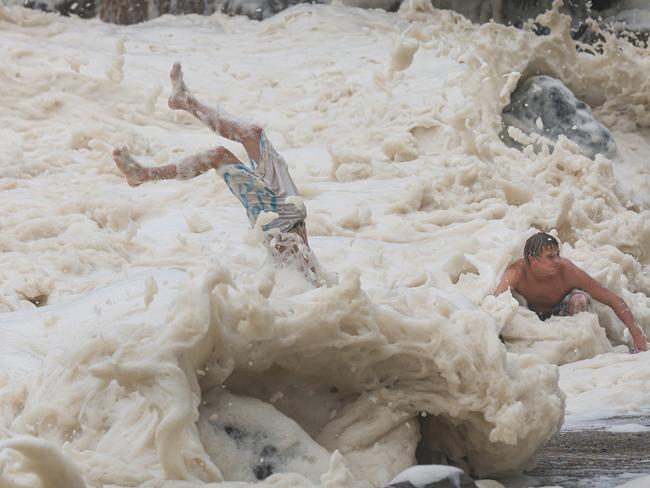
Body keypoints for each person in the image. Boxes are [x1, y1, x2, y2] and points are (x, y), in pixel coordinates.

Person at [112, 63, 327, 286]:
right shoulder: (313, 282)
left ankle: (143, 175)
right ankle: (185, 101)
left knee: (219, 156)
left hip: (278, 221)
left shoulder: (296, 284)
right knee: (253, 134)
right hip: (288, 213)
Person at [494, 232, 648, 352]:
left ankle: (581, 353)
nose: (557, 261)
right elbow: (496, 305)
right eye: (550, 257)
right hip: (530, 323)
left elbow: (612, 299)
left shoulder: (567, 271)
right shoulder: (517, 273)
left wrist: (637, 334)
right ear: (532, 259)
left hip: (562, 318)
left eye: (558, 255)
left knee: (580, 299)